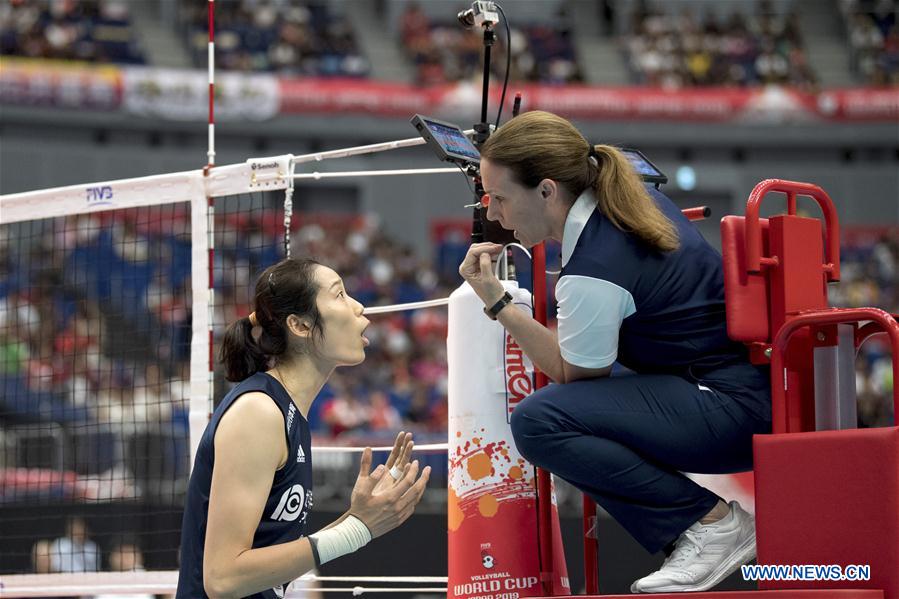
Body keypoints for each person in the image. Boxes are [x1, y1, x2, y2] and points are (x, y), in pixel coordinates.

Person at [459, 111, 771, 593]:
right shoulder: (634, 199)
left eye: (499, 198)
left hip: (729, 407)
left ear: (546, 191)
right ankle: (706, 524)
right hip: (743, 387)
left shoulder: (593, 270)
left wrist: (498, 302)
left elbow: (571, 375)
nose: (494, 216)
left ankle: (711, 524)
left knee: (540, 421)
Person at [177, 258, 431, 599]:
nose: (358, 307)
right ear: (299, 325)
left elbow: (266, 562)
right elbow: (223, 578)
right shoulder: (259, 412)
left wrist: (359, 519)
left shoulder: (290, 413)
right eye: (339, 294)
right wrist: (356, 529)